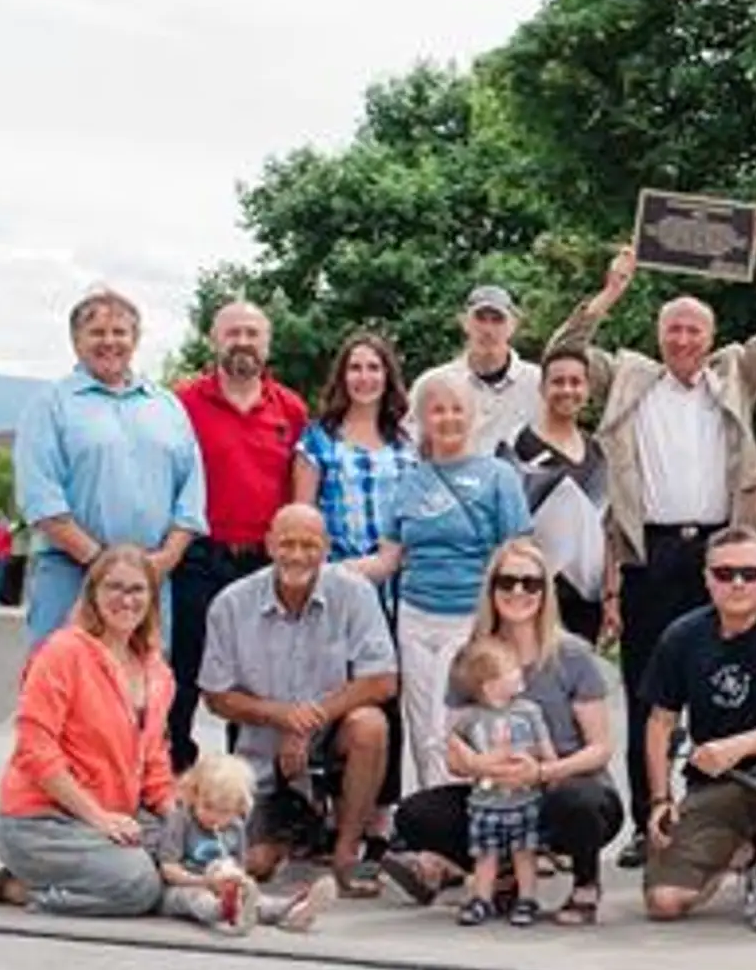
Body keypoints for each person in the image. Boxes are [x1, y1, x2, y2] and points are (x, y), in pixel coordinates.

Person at [547, 205, 756, 867]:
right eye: (674, 329)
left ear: (710, 334)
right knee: (647, 690)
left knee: (735, 685)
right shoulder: (631, 376)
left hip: (724, 554)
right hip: (651, 554)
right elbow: (562, 355)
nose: (684, 339)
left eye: (694, 329)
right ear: (659, 336)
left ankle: (726, 817)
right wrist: (610, 291)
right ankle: (647, 820)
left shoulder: (736, 374)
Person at [384, 537, 625, 926]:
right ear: (491, 588)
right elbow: (454, 749)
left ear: (546, 592)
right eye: (507, 582)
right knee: (415, 815)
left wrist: (543, 772)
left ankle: (585, 884)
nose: (518, 592)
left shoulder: (572, 655)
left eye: (531, 583)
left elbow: (600, 748)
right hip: (495, 790)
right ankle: (504, 873)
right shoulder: (472, 658)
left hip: (561, 785)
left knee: (579, 802)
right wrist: (481, 764)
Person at [0, 546, 174, 916]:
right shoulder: (62, 653)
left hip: (111, 815)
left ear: (152, 599)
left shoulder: (157, 671)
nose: (126, 599)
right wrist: (99, 818)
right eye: (114, 588)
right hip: (40, 821)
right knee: (139, 885)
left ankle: (84, 873)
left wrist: (183, 823)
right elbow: (35, 751)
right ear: (93, 593)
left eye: (137, 590)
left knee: (186, 852)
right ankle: (22, 888)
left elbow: (154, 762)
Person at [196, 506, 396, 894]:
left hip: (331, 739)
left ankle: (346, 852)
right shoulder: (231, 604)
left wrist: (310, 720)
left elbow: (383, 680)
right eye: (287, 543)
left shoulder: (355, 593)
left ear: (326, 549)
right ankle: (298, 832)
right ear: (269, 544)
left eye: (309, 545)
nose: (297, 555)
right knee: (255, 865)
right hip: (262, 755)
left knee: (370, 725)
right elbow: (215, 696)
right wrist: (282, 717)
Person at [641, 527, 756, 934]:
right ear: (706, 578)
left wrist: (737, 747)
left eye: (750, 573)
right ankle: (740, 853)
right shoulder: (682, 636)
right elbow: (660, 722)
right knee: (664, 902)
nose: (738, 583)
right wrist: (659, 799)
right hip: (713, 784)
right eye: (724, 574)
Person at [362, 375, 533, 789]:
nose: (448, 418)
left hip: (472, 616)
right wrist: (330, 572)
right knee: (424, 726)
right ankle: (435, 821)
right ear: (421, 419)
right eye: (437, 410)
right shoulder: (408, 482)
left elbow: (519, 554)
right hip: (417, 616)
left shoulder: (498, 476)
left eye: (457, 409)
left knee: (461, 721)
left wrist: (516, 622)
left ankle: (478, 815)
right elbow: (388, 559)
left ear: (473, 416)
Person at [14, 287, 206, 651]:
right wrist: (105, 564)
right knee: (63, 688)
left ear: (135, 339)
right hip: (72, 574)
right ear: (75, 340)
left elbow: (191, 495)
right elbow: (41, 498)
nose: (109, 342)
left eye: (120, 332)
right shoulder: (50, 406)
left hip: (150, 580)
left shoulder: (167, 406)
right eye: (97, 332)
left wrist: (164, 560)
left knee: (143, 692)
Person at [169, 301, 309, 772]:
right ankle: (173, 773)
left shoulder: (290, 409)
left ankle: (247, 785)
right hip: (200, 555)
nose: (243, 342)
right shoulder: (182, 403)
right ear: (215, 340)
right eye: (233, 333)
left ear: (267, 345)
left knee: (254, 677)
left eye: (252, 333)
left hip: (263, 564)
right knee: (184, 669)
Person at [291, 331, 417, 823]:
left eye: (374, 368)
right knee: (333, 695)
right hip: (333, 581)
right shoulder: (317, 438)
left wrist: (386, 562)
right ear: (342, 377)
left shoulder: (406, 443)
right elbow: (302, 513)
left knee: (384, 694)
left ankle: (380, 815)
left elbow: (413, 513)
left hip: (391, 583)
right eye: (355, 368)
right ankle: (328, 811)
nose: (365, 377)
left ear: (388, 376)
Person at [499, 343, 610, 642]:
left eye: (576, 382)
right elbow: (502, 526)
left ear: (587, 388)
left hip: (586, 599)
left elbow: (605, 530)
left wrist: (610, 595)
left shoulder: (598, 453)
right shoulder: (516, 446)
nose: (567, 390)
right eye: (558, 381)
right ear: (542, 387)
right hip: (529, 593)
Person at [443, 637, 557, 927]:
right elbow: (452, 748)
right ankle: (482, 897)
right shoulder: (471, 718)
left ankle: (527, 897)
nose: (519, 672)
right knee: (485, 854)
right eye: (511, 669)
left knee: (524, 852)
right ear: (489, 684)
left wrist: (546, 767)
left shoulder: (528, 711)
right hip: (485, 802)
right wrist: (471, 760)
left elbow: (545, 749)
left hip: (524, 797)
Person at [155, 754, 335, 934]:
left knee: (255, 898)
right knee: (195, 898)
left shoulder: (235, 828)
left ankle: (291, 910)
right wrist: (205, 881)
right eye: (207, 806)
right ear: (194, 794)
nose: (214, 817)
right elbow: (168, 869)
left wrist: (237, 880)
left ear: (238, 809)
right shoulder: (181, 820)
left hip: (223, 885)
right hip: (184, 886)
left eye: (224, 812)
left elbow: (240, 867)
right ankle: (224, 910)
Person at [409, 285, 543, 458]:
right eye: (480, 319)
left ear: (513, 325)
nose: (488, 329)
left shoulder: (538, 383)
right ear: (464, 322)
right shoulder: (432, 384)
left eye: (497, 320)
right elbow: (411, 446)